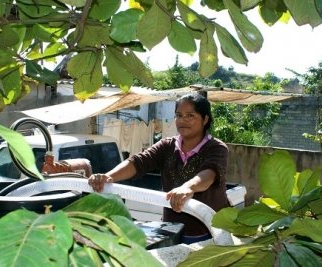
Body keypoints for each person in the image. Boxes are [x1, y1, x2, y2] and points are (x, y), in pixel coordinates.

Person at [88, 93, 229, 244]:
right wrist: (107, 177)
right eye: (179, 115)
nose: (183, 121)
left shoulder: (216, 148)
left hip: (208, 233)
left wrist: (188, 187)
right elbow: (138, 162)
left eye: (190, 115)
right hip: (172, 230)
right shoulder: (167, 146)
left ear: (205, 119)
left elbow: (209, 173)